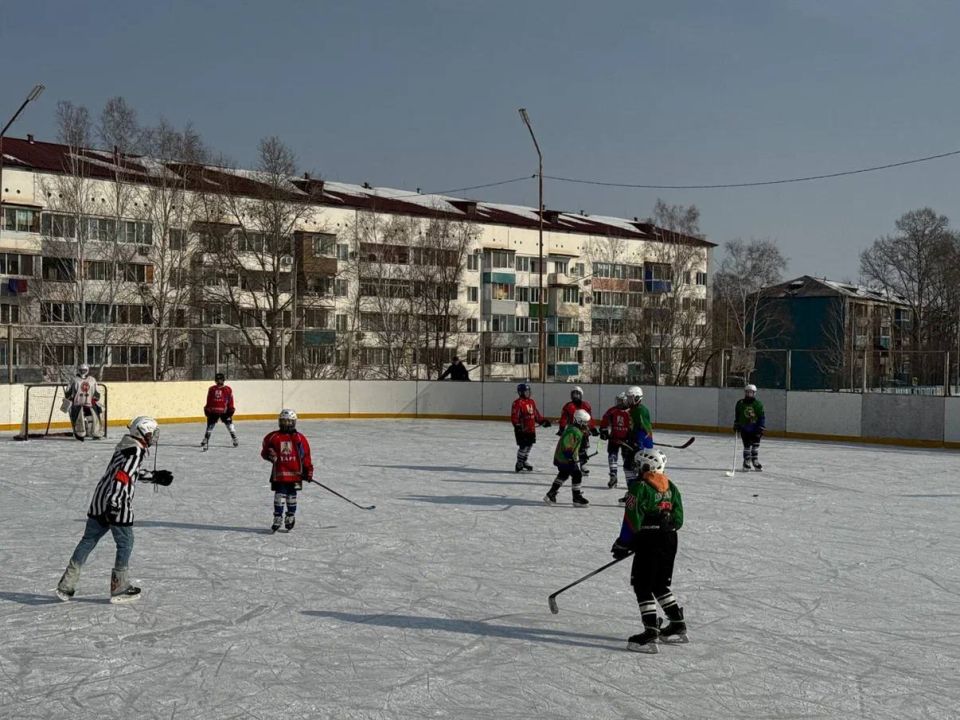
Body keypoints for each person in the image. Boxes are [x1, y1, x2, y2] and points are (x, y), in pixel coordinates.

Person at [56, 416, 173, 603]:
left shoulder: (125, 445)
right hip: (116, 503)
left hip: (99, 500)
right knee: (126, 543)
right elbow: (122, 477)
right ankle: (119, 587)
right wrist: (115, 503)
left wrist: (154, 476)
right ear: (142, 432)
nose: (154, 437)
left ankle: (66, 584)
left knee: (88, 541)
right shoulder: (136, 451)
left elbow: (127, 472)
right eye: (152, 433)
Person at [610, 448, 686, 653]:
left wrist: (623, 543)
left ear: (647, 466)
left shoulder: (639, 488)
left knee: (643, 585)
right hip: (669, 540)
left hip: (650, 541)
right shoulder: (672, 486)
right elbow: (678, 519)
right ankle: (678, 624)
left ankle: (651, 632)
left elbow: (631, 520)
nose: (636, 469)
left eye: (639, 465)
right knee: (659, 584)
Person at [261, 409, 314, 532]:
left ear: (294, 422)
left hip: (296, 474)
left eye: (289, 421)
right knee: (279, 496)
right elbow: (264, 452)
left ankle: (290, 516)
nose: (286, 424)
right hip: (279, 473)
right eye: (284, 421)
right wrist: (269, 455)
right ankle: (277, 517)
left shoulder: (299, 438)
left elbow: (305, 455)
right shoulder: (273, 437)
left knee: (291, 496)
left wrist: (308, 471)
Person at [545, 408, 591, 506]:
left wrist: (582, 454)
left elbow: (576, 446)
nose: (586, 425)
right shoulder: (573, 431)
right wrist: (570, 458)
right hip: (565, 459)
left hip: (563, 458)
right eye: (585, 422)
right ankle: (576, 497)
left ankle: (551, 494)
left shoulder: (576, 430)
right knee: (577, 474)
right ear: (579, 421)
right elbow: (567, 446)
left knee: (564, 474)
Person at [620, 386, 655, 503]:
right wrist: (628, 437)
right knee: (630, 468)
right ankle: (633, 493)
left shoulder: (641, 410)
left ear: (637, 397)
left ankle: (638, 495)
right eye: (628, 398)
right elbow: (633, 427)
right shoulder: (633, 410)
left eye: (631, 398)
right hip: (635, 443)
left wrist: (639, 442)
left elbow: (645, 429)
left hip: (642, 446)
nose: (629, 400)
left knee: (639, 470)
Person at [511, 383, 551, 472]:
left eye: (529, 391)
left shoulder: (531, 402)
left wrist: (542, 421)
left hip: (531, 429)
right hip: (522, 429)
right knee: (523, 447)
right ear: (521, 392)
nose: (528, 393)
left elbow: (536, 414)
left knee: (529, 445)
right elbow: (514, 416)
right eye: (526, 391)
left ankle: (524, 461)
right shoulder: (517, 403)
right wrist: (517, 426)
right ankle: (519, 463)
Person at [558, 386, 598, 474]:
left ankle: (583, 465)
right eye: (573, 394)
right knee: (572, 447)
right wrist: (561, 428)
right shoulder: (568, 406)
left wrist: (593, 428)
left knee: (584, 447)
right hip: (573, 430)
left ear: (581, 395)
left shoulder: (586, 405)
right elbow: (564, 418)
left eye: (577, 394)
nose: (575, 396)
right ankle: (571, 464)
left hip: (584, 429)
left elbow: (589, 418)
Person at [600, 392, 634, 489]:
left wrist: (633, 436)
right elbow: (605, 420)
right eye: (618, 401)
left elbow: (635, 425)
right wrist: (604, 430)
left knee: (627, 460)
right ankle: (613, 476)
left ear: (625, 401)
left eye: (620, 401)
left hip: (626, 440)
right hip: (614, 438)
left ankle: (630, 481)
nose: (618, 403)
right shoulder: (612, 410)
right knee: (612, 457)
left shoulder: (631, 412)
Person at [202, 372, 238, 450]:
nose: (219, 381)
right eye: (217, 380)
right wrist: (207, 408)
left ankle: (234, 438)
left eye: (220, 380)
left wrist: (231, 408)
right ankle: (206, 438)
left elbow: (230, 400)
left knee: (230, 426)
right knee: (210, 426)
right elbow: (209, 400)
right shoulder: (211, 389)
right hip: (213, 411)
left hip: (224, 411)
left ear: (223, 380)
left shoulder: (227, 389)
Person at [65, 364, 101, 441]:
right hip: (78, 402)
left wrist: (96, 398)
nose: (83, 372)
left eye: (84, 370)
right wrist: (69, 398)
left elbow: (97, 391)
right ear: (79, 370)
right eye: (81, 370)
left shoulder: (92, 379)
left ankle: (96, 433)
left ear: (87, 370)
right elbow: (68, 391)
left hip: (90, 402)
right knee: (79, 418)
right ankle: (80, 434)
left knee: (96, 417)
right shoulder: (74, 379)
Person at [734, 384, 766, 471]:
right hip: (745, 428)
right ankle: (746, 461)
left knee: (755, 446)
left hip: (755, 428)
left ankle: (755, 460)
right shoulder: (740, 403)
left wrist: (761, 427)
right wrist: (736, 424)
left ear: (754, 393)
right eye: (747, 392)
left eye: (751, 393)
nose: (749, 394)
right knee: (747, 446)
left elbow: (761, 417)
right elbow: (737, 415)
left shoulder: (758, 404)